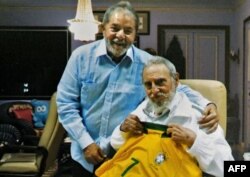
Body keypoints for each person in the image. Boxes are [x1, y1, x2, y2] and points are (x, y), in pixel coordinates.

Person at [56, 1, 219, 176]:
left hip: (124, 154)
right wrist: (86, 143)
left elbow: (175, 87)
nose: (120, 35)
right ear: (103, 29)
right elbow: (66, 104)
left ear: (135, 35)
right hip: (84, 154)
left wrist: (208, 104)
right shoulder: (81, 57)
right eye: (114, 28)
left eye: (128, 31)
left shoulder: (146, 63)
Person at [95, 56, 234, 177]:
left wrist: (194, 142)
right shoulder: (143, 108)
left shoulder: (200, 117)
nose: (154, 90)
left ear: (176, 80)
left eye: (160, 82)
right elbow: (116, 144)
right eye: (148, 85)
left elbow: (228, 168)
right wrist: (123, 129)